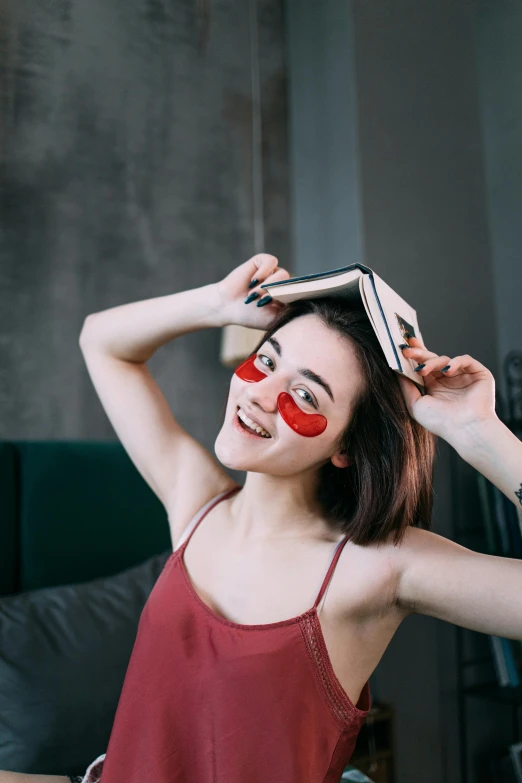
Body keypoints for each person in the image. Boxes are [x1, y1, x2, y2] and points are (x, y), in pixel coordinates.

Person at [2, 253, 521, 783]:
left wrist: (479, 432)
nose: (259, 394)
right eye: (267, 362)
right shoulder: (197, 506)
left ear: (346, 447)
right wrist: (218, 305)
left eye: (304, 395)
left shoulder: (378, 566)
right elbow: (101, 342)